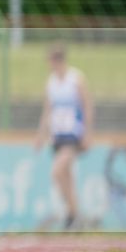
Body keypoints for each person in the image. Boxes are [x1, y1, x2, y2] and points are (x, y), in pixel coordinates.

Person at [36, 45, 92, 228]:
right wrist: (41, 134)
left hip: (73, 133)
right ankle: (74, 215)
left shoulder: (76, 79)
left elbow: (86, 106)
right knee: (66, 176)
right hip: (58, 135)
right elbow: (48, 110)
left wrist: (87, 132)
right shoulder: (51, 82)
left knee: (57, 171)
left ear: (58, 60)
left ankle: (74, 213)